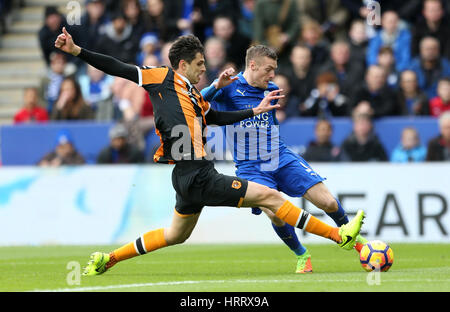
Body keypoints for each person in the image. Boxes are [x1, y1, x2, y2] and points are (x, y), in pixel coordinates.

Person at [54, 28, 365, 275]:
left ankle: (108, 259)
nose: (204, 69)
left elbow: (215, 117)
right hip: (198, 174)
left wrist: (254, 110)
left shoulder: (193, 95)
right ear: (183, 64)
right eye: (200, 64)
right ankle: (340, 236)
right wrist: (77, 51)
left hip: (187, 176)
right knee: (272, 198)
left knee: (174, 235)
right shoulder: (161, 77)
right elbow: (118, 67)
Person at [201, 45, 367, 274]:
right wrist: (215, 86)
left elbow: (272, 123)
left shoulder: (272, 88)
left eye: (274, 70)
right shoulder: (228, 87)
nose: (273, 75)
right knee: (275, 213)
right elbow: (195, 105)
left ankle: (359, 246)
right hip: (251, 167)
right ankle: (302, 254)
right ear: (252, 65)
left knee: (327, 201)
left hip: (279, 156)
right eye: (269, 69)